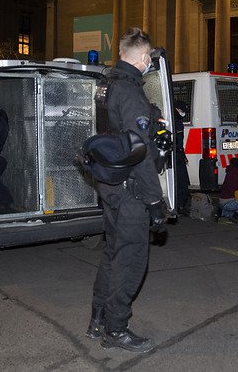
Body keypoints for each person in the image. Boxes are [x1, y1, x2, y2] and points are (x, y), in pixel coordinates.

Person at [86, 28, 166, 353]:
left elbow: (118, 128)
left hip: (110, 184)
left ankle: (97, 319)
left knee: (112, 253)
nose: (149, 64)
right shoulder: (131, 92)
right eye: (149, 59)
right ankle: (115, 329)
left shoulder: (106, 85)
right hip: (131, 187)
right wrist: (154, 199)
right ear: (144, 58)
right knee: (131, 260)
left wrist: (152, 115)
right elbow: (139, 150)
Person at [174, 100, 191, 215]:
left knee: (181, 181)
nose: (183, 113)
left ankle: (179, 205)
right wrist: (181, 153)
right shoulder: (177, 121)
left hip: (177, 154)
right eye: (182, 110)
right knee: (182, 182)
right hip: (176, 155)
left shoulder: (175, 119)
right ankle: (179, 206)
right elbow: (178, 141)